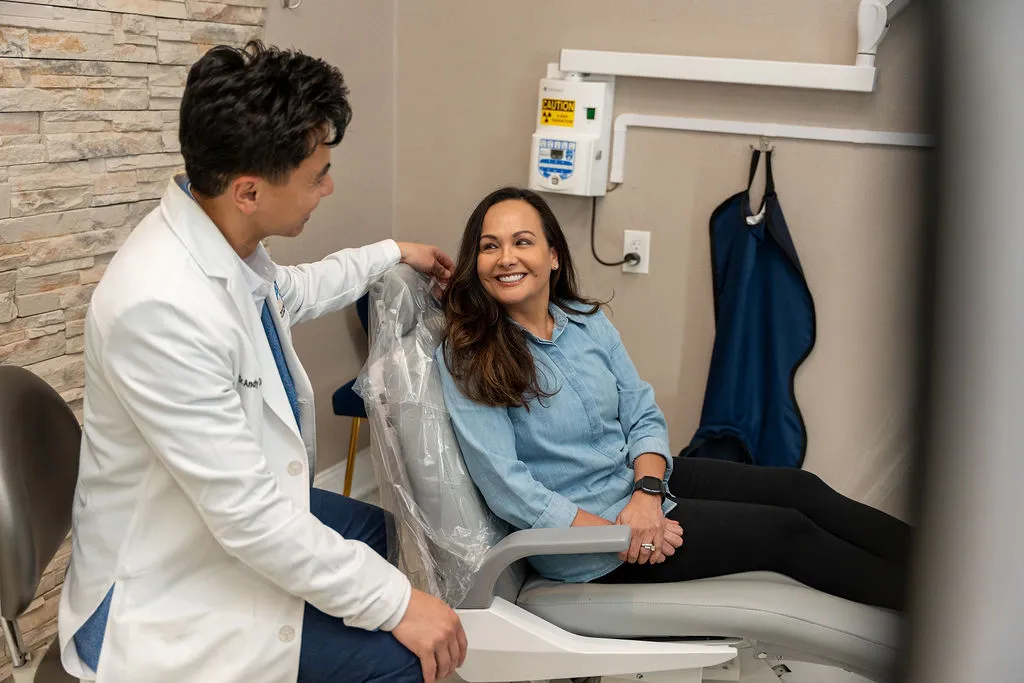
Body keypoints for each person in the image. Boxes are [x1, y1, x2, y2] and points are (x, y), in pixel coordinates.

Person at [57, 41, 465, 683]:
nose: (328, 187)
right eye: (316, 175)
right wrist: (398, 607)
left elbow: (289, 292)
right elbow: (250, 519)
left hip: (217, 514)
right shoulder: (158, 308)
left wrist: (390, 252)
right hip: (161, 592)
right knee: (405, 660)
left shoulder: (219, 234)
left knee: (383, 536)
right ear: (249, 190)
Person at [435, 186, 911, 611]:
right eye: (489, 246)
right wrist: (618, 531)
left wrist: (646, 492)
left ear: (554, 256)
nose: (506, 258)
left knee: (799, 489)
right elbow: (506, 485)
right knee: (787, 532)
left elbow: (641, 412)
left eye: (523, 242)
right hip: (591, 541)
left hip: (637, 489)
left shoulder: (585, 321)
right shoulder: (470, 354)